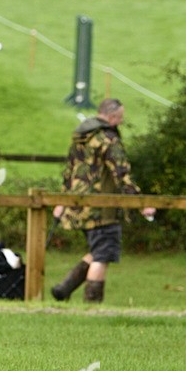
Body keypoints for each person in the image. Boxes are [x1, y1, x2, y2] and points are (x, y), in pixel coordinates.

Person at [51, 98, 155, 303]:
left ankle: (65, 288)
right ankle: (92, 306)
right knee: (102, 256)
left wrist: (62, 200)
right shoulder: (108, 139)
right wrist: (141, 204)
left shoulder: (81, 137)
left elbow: (69, 171)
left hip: (78, 205)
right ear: (111, 116)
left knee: (98, 249)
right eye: (119, 118)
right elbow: (122, 173)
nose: (120, 122)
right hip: (102, 208)